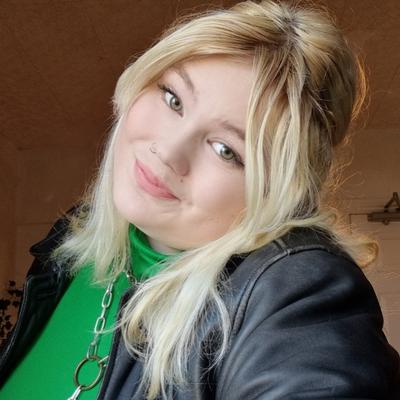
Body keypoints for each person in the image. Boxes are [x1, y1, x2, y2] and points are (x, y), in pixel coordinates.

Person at [0, 0, 399, 398]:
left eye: (226, 150)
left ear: (278, 193)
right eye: (173, 99)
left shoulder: (296, 293)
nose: (168, 152)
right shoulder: (72, 240)